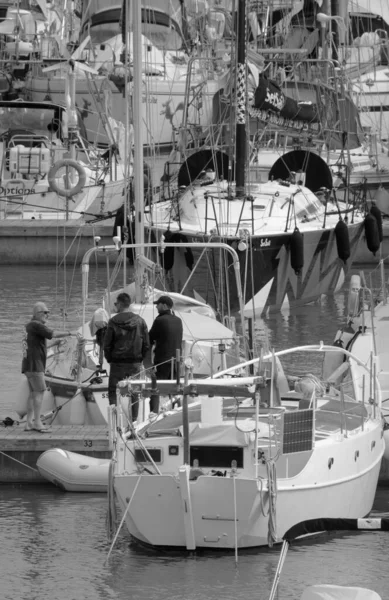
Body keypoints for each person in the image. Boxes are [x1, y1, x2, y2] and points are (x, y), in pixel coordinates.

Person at [21, 302, 75, 432]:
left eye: (48, 312)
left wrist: (54, 344)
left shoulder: (29, 326)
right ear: (37, 314)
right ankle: (37, 423)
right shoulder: (37, 325)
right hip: (35, 366)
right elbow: (53, 333)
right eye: (44, 312)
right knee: (40, 393)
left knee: (33, 394)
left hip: (28, 365)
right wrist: (70, 332)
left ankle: (28, 423)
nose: (47, 315)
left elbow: (36, 347)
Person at [103, 292, 150, 421]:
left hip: (117, 363)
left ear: (119, 304)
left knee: (113, 392)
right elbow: (146, 344)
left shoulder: (113, 322)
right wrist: (140, 359)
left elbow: (107, 345)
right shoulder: (140, 321)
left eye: (115, 303)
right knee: (134, 392)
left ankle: (115, 423)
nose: (115, 306)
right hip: (134, 362)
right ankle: (134, 421)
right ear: (129, 304)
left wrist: (110, 359)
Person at [148, 295, 183, 415]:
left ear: (164, 305)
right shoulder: (178, 321)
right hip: (176, 361)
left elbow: (150, 338)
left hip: (163, 361)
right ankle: (177, 413)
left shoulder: (159, 320)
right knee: (175, 389)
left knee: (155, 389)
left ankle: (153, 414)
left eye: (158, 304)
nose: (156, 306)